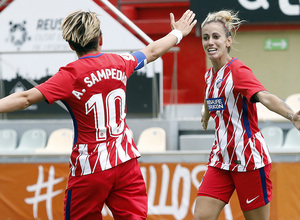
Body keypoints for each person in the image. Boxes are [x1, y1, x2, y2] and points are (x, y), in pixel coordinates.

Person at [0, 9, 196, 219]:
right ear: (100, 38)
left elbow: (26, 98)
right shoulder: (120, 62)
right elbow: (152, 52)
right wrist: (178, 33)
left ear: (71, 45)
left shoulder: (70, 75)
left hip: (90, 168)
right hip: (125, 162)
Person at [193, 10, 300, 220]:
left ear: (228, 41)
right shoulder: (209, 75)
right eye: (206, 37)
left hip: (249, 159)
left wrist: (291, 115)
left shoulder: (238, 71)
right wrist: (206, 114)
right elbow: (212, 97)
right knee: (201, 217)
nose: (210, 42)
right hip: (221, 158)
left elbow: (265, 97)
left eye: (216, 37)